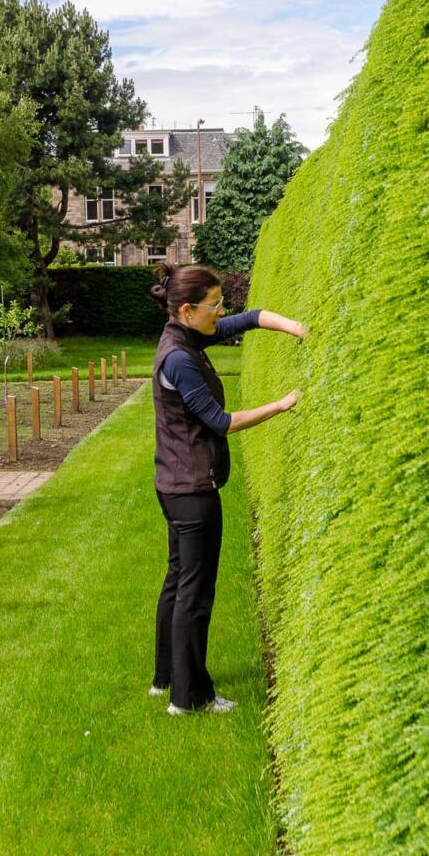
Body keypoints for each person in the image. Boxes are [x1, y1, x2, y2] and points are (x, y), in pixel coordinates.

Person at [147, 262, 306, 715]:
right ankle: (190, 698)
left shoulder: (183, 337)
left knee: (178, 581)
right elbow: (220, 422)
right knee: (194, 595)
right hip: (192, 491)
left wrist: (296, 328)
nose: (221, 312)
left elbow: (249, 318)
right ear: (187, 310)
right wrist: (282, 405)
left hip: (175, 483)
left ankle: (165, 677)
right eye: (213, 305)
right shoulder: (180, 359)